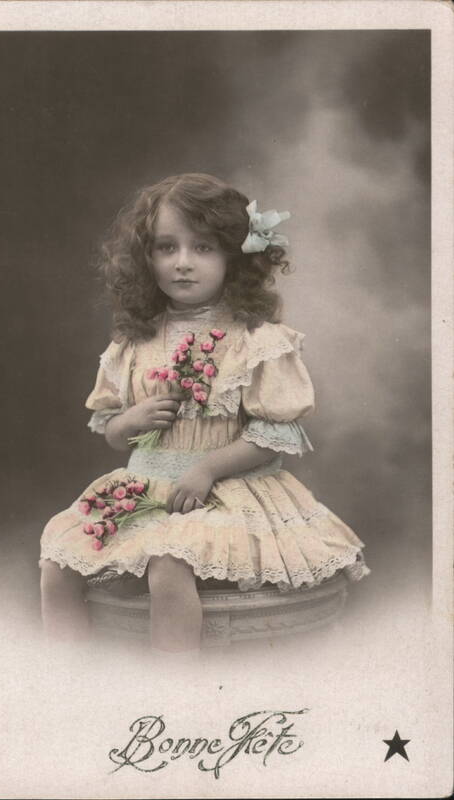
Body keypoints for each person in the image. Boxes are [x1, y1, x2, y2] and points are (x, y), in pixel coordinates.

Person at [40, 173, 369, 653]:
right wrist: (129, 422)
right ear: (145, 257)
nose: (183, 264)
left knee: (169, 564)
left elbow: (272, 435)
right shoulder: (134, 342)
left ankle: (178, 696)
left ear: (233, 259)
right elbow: (113, 432)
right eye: (166, 248)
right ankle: (68, 687)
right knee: (58, 564)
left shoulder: (255, 339)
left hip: (224, 489)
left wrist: (206, 470)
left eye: (203, 249)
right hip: (144, 485)